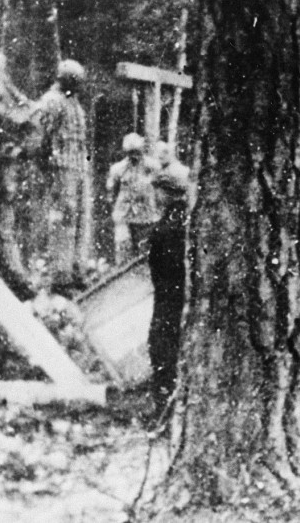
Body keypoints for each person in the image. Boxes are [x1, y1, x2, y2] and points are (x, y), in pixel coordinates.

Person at [0, 50, 38, 300]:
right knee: (4, 222)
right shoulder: (8, 90)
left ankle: (16, 280)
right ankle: (15, 277)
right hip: (9, 164)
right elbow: (30, 112)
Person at [34, 59, 92, 295]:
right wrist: (47, 167)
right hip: (61, 168)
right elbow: (40, 137)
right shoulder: (51, 101)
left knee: (80, 220)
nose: (79, 87)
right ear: (65, 80)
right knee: (64, 222)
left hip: (78, 167)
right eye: (75, 82)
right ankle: (61, 277)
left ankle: (77, 271)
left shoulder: (74, 102)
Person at [146, 144, 189, 417]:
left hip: (168, 299)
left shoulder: (164, 229)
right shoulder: (189, 221)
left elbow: (160, 268)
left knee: (161, 349)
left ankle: (163, 411)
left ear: (166, 193)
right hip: (183, 297)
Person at [107, 133, 160, 263]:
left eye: (137, 152)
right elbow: (111, 191)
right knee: (123, 247)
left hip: (146, 214)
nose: (134, 156)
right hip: (124, 212)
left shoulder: (152, 166)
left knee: (144, 252)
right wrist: (116, 208)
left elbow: (160, 190)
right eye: (131, 153)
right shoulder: (118, 169)